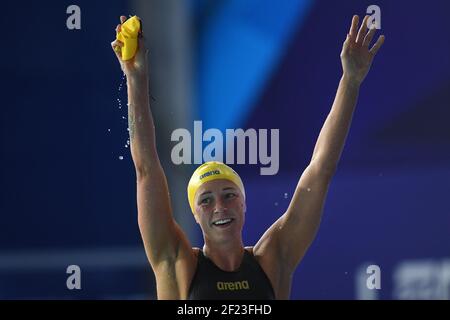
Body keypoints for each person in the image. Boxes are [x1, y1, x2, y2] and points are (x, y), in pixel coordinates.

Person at [111, 14, 384, 299]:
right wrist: (135, 78)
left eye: (229, 195)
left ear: (244, 203)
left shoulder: (273, 259)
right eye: (205, 200)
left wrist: (350, 81)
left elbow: (321, 169)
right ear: (194, 213)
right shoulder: (177, 263)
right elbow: (146, 168)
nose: (219, 206)